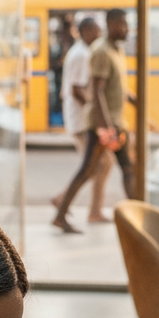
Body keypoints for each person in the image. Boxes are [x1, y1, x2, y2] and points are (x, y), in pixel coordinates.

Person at [53, 8, 136, 234]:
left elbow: (115, 86)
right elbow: (96, 91)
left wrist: (134, 102)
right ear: (110, 24)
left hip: (115, 121)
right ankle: (62, 214)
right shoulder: (99, 51)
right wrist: (106, 126)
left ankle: (139, 215)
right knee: (89, 170)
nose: (126, 29)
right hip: (103, 124)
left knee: (127, 168)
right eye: (122, 24)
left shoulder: (116, 50)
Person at [53, 16, 113, 223]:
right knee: (99, 165)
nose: (100, 34)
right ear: (86, 32)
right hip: (82, 120)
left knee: (98, 165)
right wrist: (95, 109)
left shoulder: (84, 52)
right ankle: (90, 210)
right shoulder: (81, 55)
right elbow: (77, 89)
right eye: (97, 30)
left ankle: (64, 201)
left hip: (83, 119)